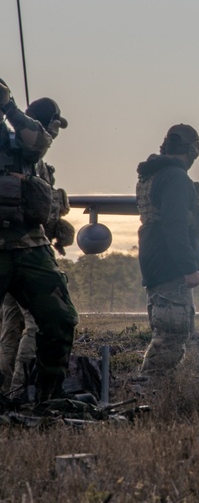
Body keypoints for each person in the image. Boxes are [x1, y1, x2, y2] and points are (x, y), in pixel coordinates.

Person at [0, 82, 77, 402]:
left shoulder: (22, 143)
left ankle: (44, 399)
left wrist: (9, 107)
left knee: (59, 318)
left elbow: (37, 142)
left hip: (29, 246)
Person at [136, 123, 199, 375]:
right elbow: (174, 224)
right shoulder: (176, 177)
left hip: (154, 258)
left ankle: (152, 392)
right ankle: (151, 394)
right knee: (172, 334)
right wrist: (189, 268)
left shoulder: (154, 174)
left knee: (166, 332)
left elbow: (167, 213)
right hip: (171, 266)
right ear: (192, 150)